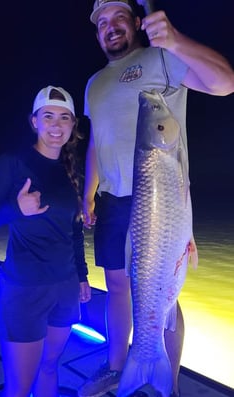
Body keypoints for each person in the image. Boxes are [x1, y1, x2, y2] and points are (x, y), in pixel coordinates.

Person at [78, 1, 234, 397]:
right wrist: (89, 194)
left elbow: (224, 82)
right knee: (117, 288)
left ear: (135, 21)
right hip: (113, 202)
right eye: (102, 23)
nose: (110, 28)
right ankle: (118, 369)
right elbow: (98, 139)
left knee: (164, 291)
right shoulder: (94, 83)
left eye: (118, 18)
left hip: (159, 201)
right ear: (97, 34)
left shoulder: (163, 56)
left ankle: (169, 380)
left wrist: (177, 39)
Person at [0, 85, 91, 397]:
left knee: (49, 367)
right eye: (48, 116)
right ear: (34, 121)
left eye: (64, 118)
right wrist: (15, 209)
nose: (56, 125)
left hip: (66, 287)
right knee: (18, 388)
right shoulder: (14, 163)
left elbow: (73, 229)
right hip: (25, 290)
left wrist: (82, 275)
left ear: (73, 125)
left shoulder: (70, 170)